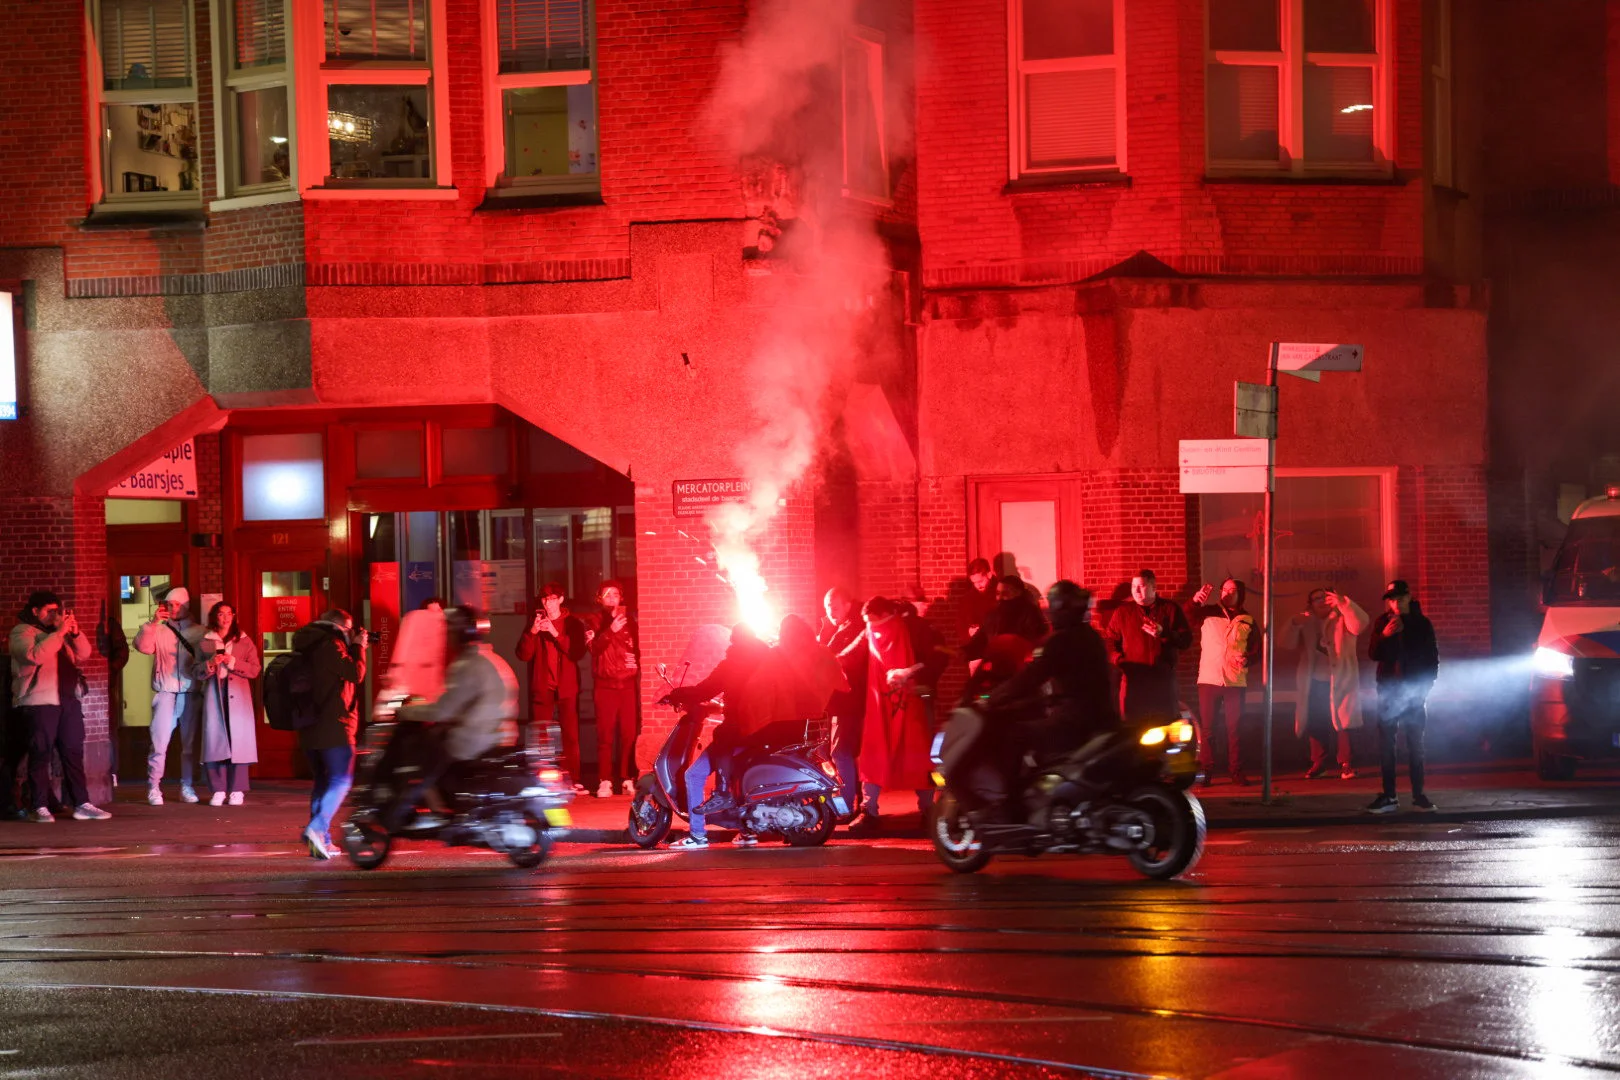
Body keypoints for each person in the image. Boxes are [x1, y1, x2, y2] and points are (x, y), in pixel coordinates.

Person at [966, 581, 1119, 816]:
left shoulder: (1062, 641)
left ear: (1061, 609)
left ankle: (1010, 805)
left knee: (1015, 736)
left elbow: (1031, 677)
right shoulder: (1092, 637)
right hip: (1100, 717)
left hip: (1073, 720)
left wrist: (993, 698)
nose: (1049, 612)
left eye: (1052, 607)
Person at [389, 606, 519, 827]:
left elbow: (443, 710)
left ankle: (435, 810)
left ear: (459, 634)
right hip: (499, 734)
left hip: (475, 738)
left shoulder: (466, 665)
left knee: (425, 750)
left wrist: (406, 712)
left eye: (448, 632)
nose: (445, 638)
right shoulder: (494, 660)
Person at [666, 624, 772, 849]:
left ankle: (697, 834)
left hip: (737, 729)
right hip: (763, 728)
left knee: (694, 775)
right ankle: (747, 831)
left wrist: (677, 694)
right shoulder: (767, 657)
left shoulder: (734, 662)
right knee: (740, 777)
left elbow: (706, 689)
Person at [8, 591, 110, 822]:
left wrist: (73, 632)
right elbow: (33, 656)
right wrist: (60, 632)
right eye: (49, 611)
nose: (54, 615)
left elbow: (84, 653)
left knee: (73, 753)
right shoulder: (22, 631)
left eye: (57, 611)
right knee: (40, 754)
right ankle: (39, 805)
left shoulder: (58, 634)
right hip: (39, 701)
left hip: (68, 701)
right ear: (35, 611)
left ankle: (82, 803)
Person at [853, 596, 948, 836]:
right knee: (876, 750)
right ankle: (870, 809)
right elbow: (853, 652)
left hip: (915, 697)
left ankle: (928, 809)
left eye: (875, 623)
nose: (873, 630)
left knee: (918, 753)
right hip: (884, 700)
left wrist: (911, 671)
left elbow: (939, 656)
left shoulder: (915, 628)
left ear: (887, 614)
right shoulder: (874, 629)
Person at [292, 609, 368, 859]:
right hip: (333, 724)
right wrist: (358, 648)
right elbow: (355, 673)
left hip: (310, 725)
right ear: (339, 626)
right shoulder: (330, 644)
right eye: (349, 629)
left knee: (323, 782)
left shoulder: (308, 643)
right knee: (341, 780)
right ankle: (317, 827)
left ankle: (322, 839)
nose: (352, 633)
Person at [1366, 580, 1439, 814]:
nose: (1395, 603)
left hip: (1414, 692)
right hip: (1388, 691)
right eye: (1391, 599)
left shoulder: (1421, 623)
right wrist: (1385, 635)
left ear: (1409, 598)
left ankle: (1418, 795)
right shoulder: (1382, 622)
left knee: (1415, 744)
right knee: (1387, 744)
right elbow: (1373, 654)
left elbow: (1431, 658)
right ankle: (1389, 795)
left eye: (1399, 598)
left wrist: (1424, 688)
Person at [132, 585, 207, 806]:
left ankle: (187, 784)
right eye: (169, 604)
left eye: (176, 604)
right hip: (165, 692)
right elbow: (143, 647)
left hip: (190, 693)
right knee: (159, 742)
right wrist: (153, 623)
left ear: (185, 606)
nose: (172, 608)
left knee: (189, 744)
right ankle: (154, 786)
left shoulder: (199, 632)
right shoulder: (160, 629)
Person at [1287, 587, 1368, 781]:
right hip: (1314, 679)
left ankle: (1346, 763)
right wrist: (1294, 624)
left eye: (1325, 598)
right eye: (1316, 599)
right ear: (1310, 603)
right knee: (1316, 721)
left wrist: (1344, 602)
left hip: (1340, 678)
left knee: (1343, 722)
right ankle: (1319, 763)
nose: (1321, 601)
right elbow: (1287, 642)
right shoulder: (1307, 621)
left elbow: (1359, 625)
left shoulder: (1343, 617)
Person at [1185, 578, 1259, 786]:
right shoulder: (1207, 612)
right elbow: (1186, 617)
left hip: (1235, 680)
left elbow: (1257, 650)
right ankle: (1207, 770)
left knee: (1235, 728)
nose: (1227, 593)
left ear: (1240, 593)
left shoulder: (1248, 619)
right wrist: (1194, 601)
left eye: (1232, 589)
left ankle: (1236, 771)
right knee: (1208, 728)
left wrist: (1248, 659)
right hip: (1209, 679)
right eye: (1224, 589)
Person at [515, 583, 587, 793]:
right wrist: (533, 631)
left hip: (566, 686)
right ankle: (541, 779)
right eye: (545, 600)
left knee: (570, 735)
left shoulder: (573, 623)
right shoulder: (534, 623)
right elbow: (523, 655)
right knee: (541, 733)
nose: (549, 604)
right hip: (543, 685)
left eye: (553, 599)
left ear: (561, 600)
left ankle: (573, 778)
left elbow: (576, 652)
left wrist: (556, 632)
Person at [1104, 569, 1191, 723]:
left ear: (1154, 588)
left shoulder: (1170, 609)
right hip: (1133, 682)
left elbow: (1186, 641)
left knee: (1165, 727)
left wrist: (1164, 633)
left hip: (1162, 682)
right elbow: (1110, 641)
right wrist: (1119, 660)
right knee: (1133, 729)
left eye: (1142, 586)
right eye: (1133, 586)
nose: (1136, 590)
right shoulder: (1123, 612)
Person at [199, 601, 260, 806]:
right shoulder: (206, 640)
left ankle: (237, 789)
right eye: (220, 614)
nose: (225, 618)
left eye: (228, 614)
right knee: (215, 741)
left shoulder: (244, 641)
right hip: (214, 695)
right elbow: (194, 670)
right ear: (214, 617)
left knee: (239, 743)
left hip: (238, 694)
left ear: (234, 616)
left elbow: (254, 669)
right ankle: (218, 789)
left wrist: (233, 662)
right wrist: (210, 665)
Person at [587, 580, 640, 798]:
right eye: (607, 594)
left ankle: (627, 778)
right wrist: (610, 630)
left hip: (627, 684)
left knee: (628, 733)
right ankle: (605, 780)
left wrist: (635, 659)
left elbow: (638, 647)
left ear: (621, 598)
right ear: (599, 598)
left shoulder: (631, 621)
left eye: (615, 594)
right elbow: (593, 649)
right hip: (605, 685)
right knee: (605, 735)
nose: (611, 598)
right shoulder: (593, 620)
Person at [819, 587, 866, 814]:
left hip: (847, 702)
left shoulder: (853, 630)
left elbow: (829, 660)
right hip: (840, 703)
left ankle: (846, 806)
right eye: (827, 607)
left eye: (835, 607)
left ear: (848, 605)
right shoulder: (839, 629)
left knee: (841, 752)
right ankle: (848, 802)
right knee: (836, 752)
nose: (830, 612)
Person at [964, 574, 1049, 663]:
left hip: (1021, 667)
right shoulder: (993, 615)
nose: (999, 598)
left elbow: (1037, 642)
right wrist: (965, 651)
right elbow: (981, 638)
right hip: (996, 666)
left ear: (1018, 593)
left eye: (1005, 593)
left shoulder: (1030, 613)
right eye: (997, 593)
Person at [385, 597, 447, 704]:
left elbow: (402, 647)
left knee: (409, 708)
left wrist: (394, 676)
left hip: (410, 681)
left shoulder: (412, 618)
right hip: (432, 685)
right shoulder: (443, 622)